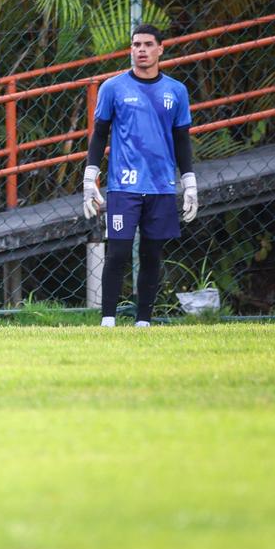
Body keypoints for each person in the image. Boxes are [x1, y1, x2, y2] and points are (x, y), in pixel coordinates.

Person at [82, 24, 197, 327]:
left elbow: (182, 139)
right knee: (118, 251)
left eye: (147, 44)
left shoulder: (176, 91)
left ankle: (143, 321)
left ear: (161, 48)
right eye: (136, 45)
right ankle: (108, 320)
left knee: (151, 253)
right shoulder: (113, 88)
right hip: (123, 186)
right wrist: (89, 179)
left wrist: (189, 184)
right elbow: (99, 135)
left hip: (161, 185)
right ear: (131, 49)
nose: (141, 50)